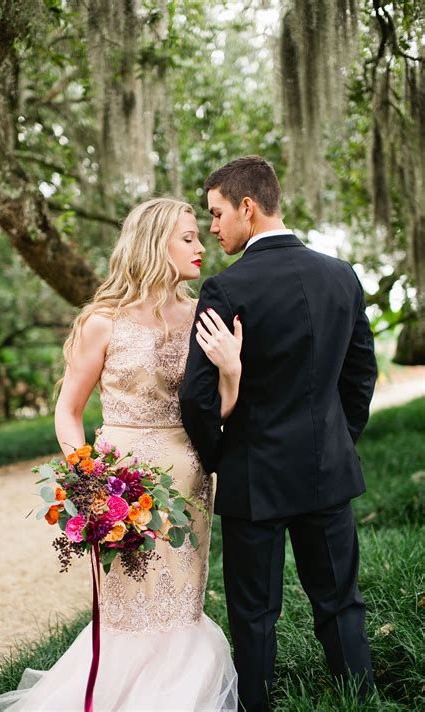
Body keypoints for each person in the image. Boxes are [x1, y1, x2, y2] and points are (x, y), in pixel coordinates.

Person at [0, 198, 237, 711]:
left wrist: (232, 372)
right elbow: (68, 410)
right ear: (153, 243)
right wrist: (89, 480)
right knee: (129, 608)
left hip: (189, 482)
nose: (201, 246)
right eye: (188, 237)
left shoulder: (201, 316)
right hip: (122, 486)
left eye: (199, 235)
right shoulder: (102, 322)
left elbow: (216, 408)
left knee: (179, 605)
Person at [179, 156, 377, 711]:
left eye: (217, 214)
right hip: (327, 472)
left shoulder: (225, 289)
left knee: (255, 612)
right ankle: (358, 698)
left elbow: (196, 396)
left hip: (253, 477)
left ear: (248, 207)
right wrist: (338, 438)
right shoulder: (342, 276)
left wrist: (219, 457)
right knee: (341, 601)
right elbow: (361, 373)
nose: (213, 227)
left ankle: (257, 705)